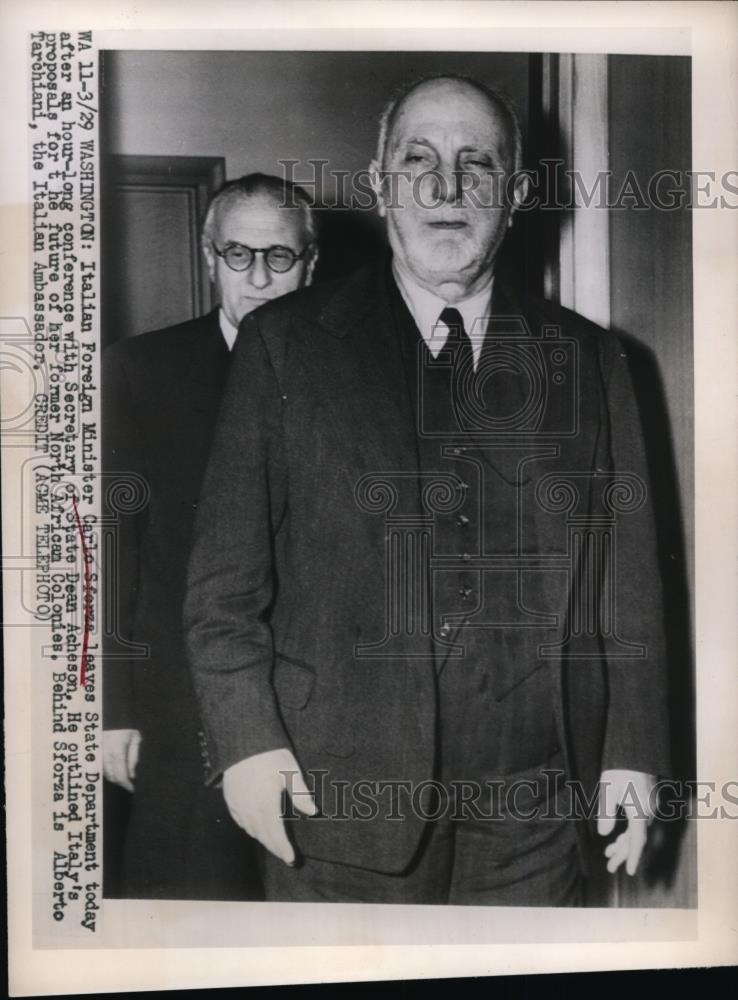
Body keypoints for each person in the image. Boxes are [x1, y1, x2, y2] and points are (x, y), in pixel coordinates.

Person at [184, 76, 670, 905]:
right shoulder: (284, 346)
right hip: (332, 803)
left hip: (536, 814)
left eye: (476, 164)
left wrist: (633, 749)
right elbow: (224, 588)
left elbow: (629, 580)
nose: (447, 189)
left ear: (516, 195)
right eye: (418, 161)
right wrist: (247, 744)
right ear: (379, 186)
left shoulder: (594, 358)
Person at [102, 172, 318, 899]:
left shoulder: (350, 377)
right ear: (208, 255)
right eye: (238, 254)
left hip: (313, 707)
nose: (258, 277)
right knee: (190, 909)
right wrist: (115, 710)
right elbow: (114, 552)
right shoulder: (140, 371)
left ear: (311, 263)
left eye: (280, 258)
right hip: (178, 705)